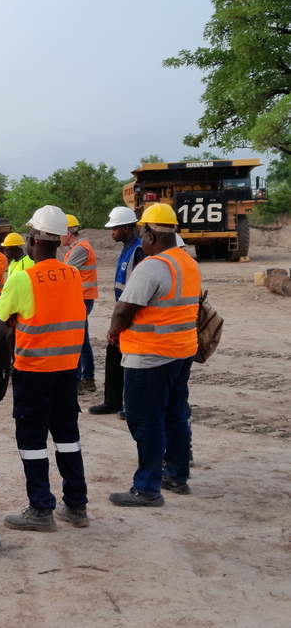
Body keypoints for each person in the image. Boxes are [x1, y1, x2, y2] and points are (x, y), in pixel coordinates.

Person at [0, 206, 89, 532]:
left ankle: (40, 509)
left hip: (33, 371)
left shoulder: (23, 278)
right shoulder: (73, 275)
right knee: (67, 437)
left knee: (32, 440)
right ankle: (76, 505)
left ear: (32, 241)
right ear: (60, 240)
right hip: (67, 370)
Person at [107, 203, 200, 507]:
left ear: (149, 232)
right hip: (181, 352)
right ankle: (176, 475)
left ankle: (147, 488)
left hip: (149, 356)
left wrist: (113, 335)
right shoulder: (187, 262)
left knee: (146, 422)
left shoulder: (152, 266)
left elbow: (123, 311)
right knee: (175, 415)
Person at [89, 206, 148, 418]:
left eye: (114, 228)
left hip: (133, 314)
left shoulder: (139, 251)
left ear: (126, 228)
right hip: (124, 310)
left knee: (132, 363)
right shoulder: (127, 249)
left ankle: (131, 406)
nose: (111, 232)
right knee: (114, 356)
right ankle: (112, 402)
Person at [61, 214, 99, 394]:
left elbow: (64, 273)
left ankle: (79, 381)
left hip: (81, 299)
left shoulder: (80, 249)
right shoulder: (80, 247)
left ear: (68, 233)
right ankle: (87, 379)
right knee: (82, 340)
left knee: (77, 340)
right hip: (83, 298)